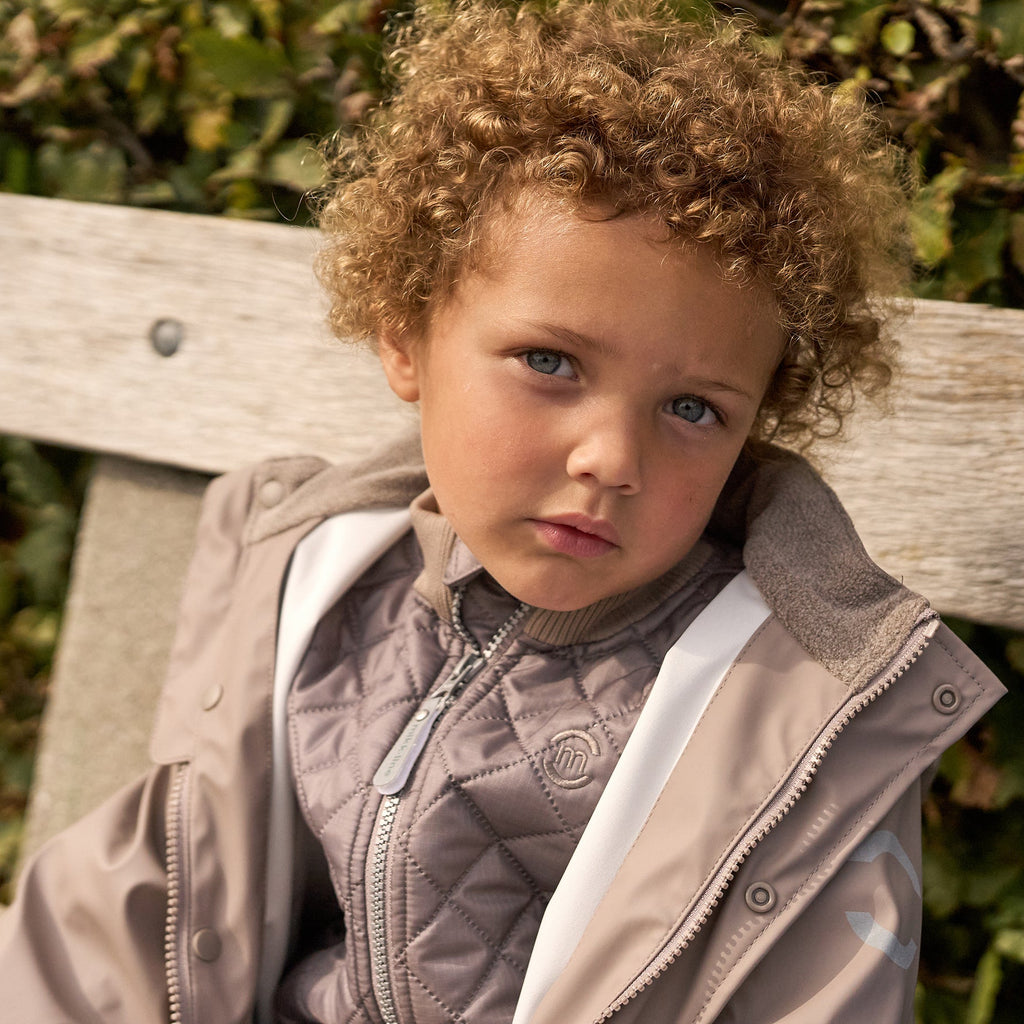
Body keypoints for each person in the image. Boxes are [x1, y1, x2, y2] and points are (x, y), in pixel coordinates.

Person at [0, 2, 1005, 1022]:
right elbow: (127, 916)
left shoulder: (787, 712)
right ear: (404, 333)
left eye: (693, 409)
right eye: (550, 362)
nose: (611, 458)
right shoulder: (312, 583)